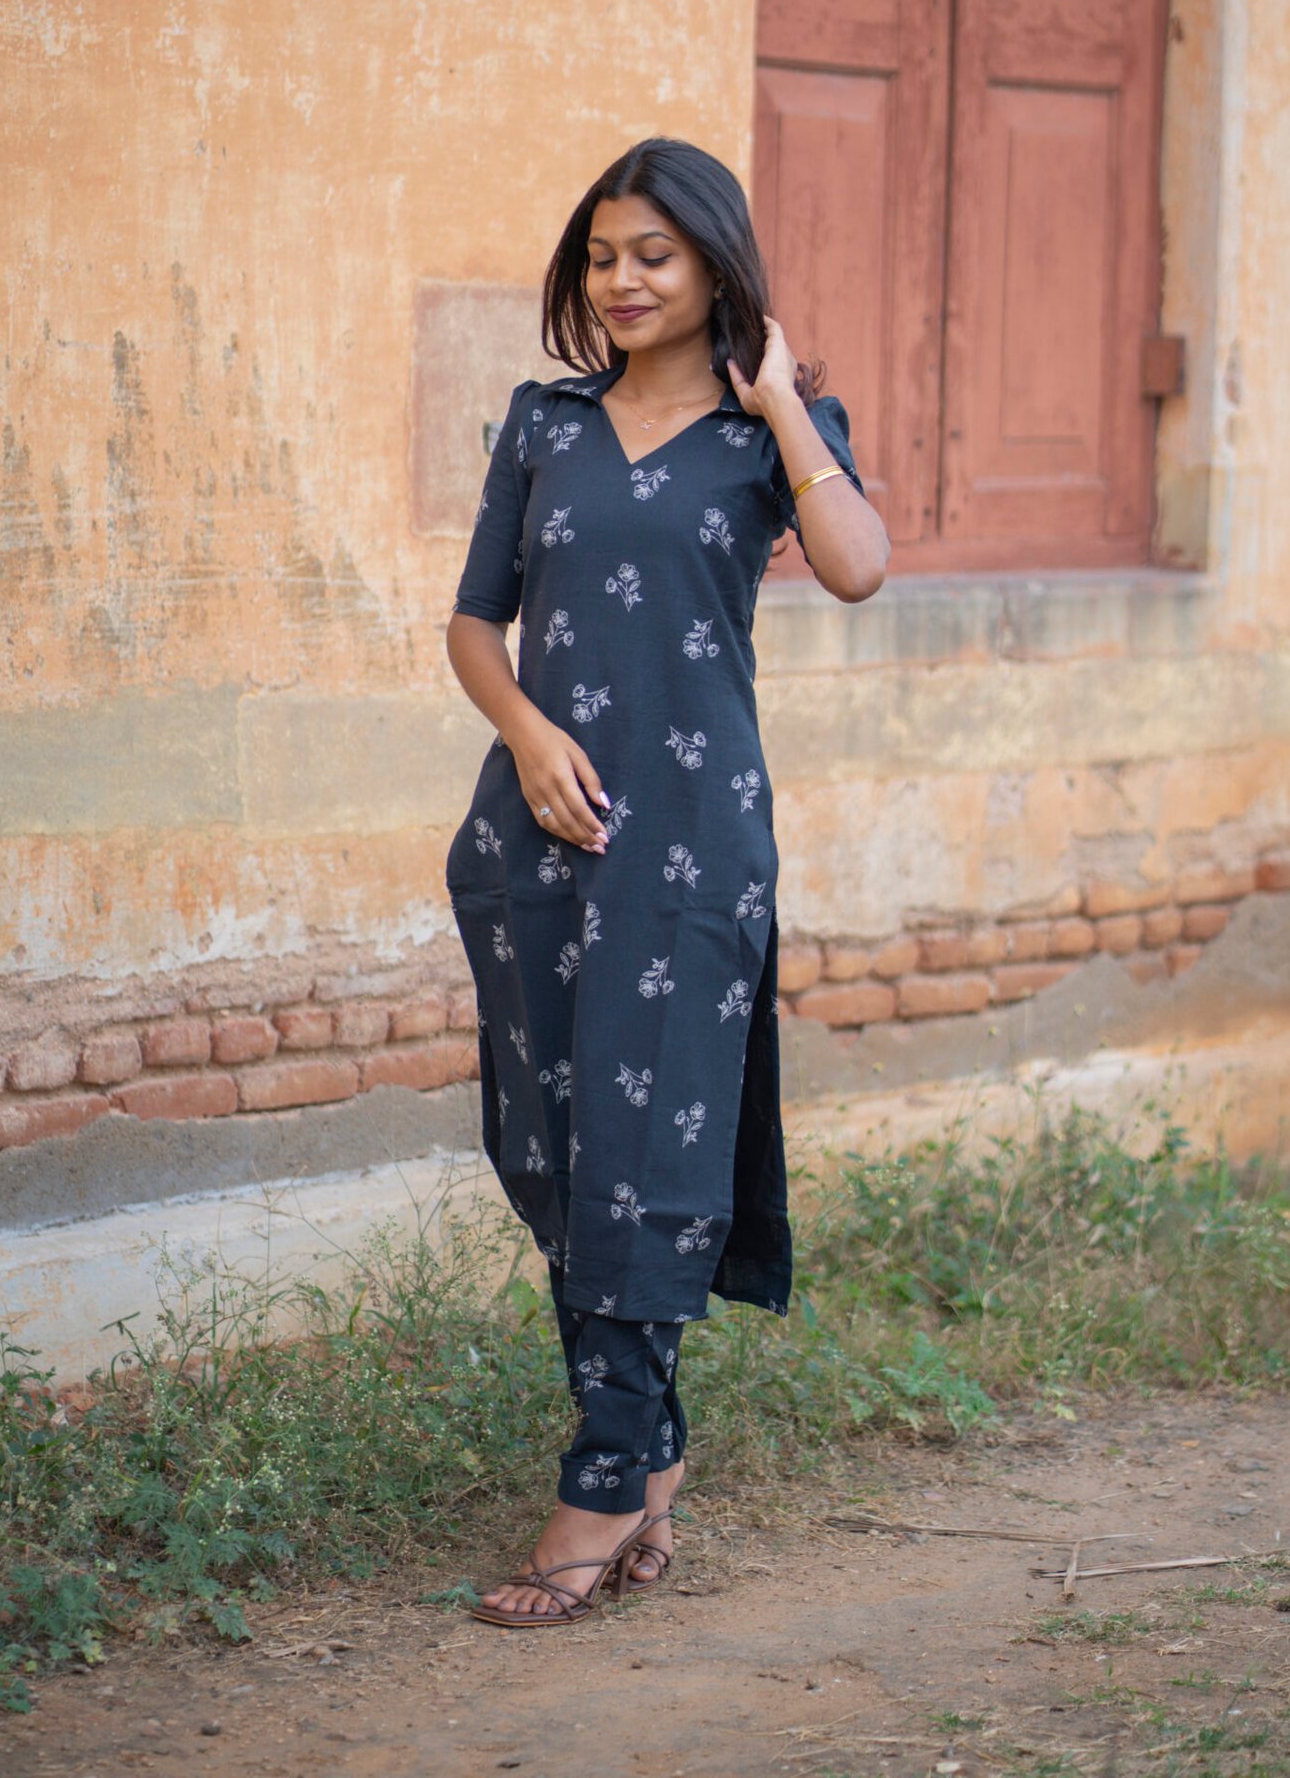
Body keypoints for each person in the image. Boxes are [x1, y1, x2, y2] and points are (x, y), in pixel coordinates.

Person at [444, 137, 889, 1627]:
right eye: (602, 257)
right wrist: (527, 733)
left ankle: (600, 1479)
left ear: (714, 263)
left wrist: (784, 404)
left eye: (654, 255)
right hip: (540, 835)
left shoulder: (773, 436)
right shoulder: (547, 423)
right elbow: (475, 625)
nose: (623, 281)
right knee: (558, 1151)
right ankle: (655, 1454)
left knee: (655, 1152)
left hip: (692, 846)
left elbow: (858, 564)